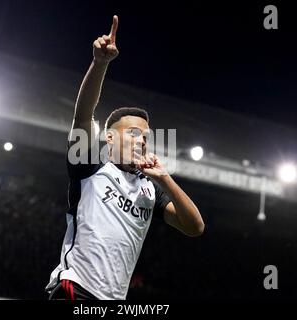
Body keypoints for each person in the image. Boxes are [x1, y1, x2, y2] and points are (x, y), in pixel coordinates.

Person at [46, 15, 204, 300]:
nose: (141, 140)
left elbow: (195, 227)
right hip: (76, 289)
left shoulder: (150, 190)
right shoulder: (91, 163)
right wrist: (100, 64)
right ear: (109, 138)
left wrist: (165, 179)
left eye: (145, 136)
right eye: (132, 133)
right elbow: (83, 113)